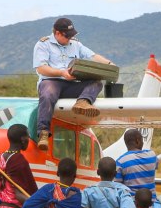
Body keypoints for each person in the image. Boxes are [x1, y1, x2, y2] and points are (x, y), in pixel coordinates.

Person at [33, 17, 115, 151]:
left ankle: (83, 101)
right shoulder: (43, 44)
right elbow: (41, 68)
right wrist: (61, 73)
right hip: (52, 81)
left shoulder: (76, 45)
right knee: (47, 93)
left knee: (96, 82)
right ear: (57, 33)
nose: (69, 39)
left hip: (72, 83)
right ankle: (43, 133)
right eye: (67, 36)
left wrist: (110, 64)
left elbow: (92, 56)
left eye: (71, 36)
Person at [115, 129, 159, 199]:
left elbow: (118, 186)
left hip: (131, 204)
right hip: (151, 203)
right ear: (138, 141)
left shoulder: (120, 161)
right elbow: (155, 166)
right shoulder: (152, 155)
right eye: (142, 140)